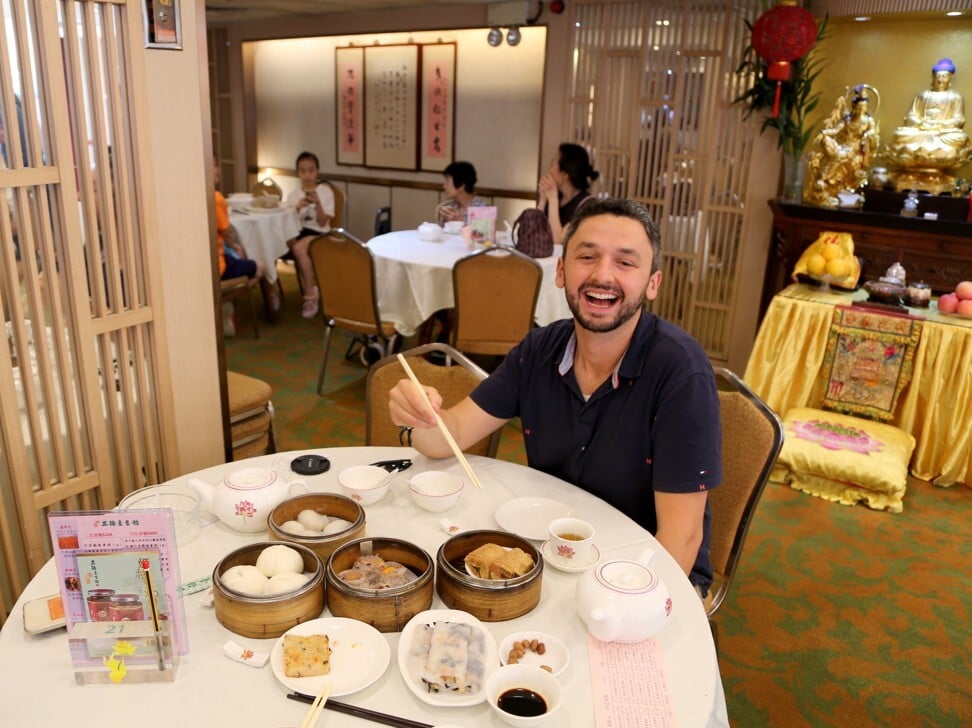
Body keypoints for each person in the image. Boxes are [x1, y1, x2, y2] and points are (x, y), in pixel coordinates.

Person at [389, 197, 723, 597]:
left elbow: (681, 540)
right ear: (562, 271)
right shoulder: (540, 350)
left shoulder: (680, 373)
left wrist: (617, 604)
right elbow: (451, 434)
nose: (603, 275)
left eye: (625, 262)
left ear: (653, 283)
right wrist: (417, 417)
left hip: (646, 572)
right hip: (557, 553)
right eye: (587, 256)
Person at [214, 161, 275, 335]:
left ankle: (225, 306)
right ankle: (225, 303)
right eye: (214, 167)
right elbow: (227, 232)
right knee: (260, 267)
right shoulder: (216, 198)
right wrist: (234, 245)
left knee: (234, 257)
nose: (217, 170)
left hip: (210, 264)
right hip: (220, 268)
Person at [888, 58, 972, 170]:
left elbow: (959, 119)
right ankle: (921, 152)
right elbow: (909, 116)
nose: (940, 80)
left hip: (942, 133)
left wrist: (942, 125)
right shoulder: (923, 95)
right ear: (933, 78)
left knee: (961, 137)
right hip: (922, 130)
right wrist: (920, 123)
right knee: (898, 134)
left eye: (944, 77)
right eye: (937, 76)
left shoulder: (955, 97)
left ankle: (933, 153)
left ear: (949, 78)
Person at [803, 86, 879, 207]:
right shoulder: (848, 119)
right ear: (854, 107)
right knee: (827, 142)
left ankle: (825, 179)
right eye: (858, 107)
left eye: (863, 107)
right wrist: (823, 134)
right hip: (844, 145)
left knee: (838, 156)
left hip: (855, 149)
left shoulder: (869, 121)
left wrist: (868, 135)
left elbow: (873, 134)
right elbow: (835, 130)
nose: (860, 110)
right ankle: (825, 183)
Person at [284, 151, 335, 318]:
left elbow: (322, 222)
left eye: (311, 170)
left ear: (317, 171)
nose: (307, 175)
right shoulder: (293, 195)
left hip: (320, 233)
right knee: (277, 243)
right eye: (303, 171)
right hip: (298, 231)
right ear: (298, 173)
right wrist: (297, 207)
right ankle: (271, 295)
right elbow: (289, 222)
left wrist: (318, 203)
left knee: (299, 249)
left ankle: (310, 296)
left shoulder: (325, 191)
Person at [537, 143, 599, 245]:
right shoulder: (556, 196)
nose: (549, 170)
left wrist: (553, 199)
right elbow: (533, 230)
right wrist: (543, 200)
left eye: (552, 164)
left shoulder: (588, 205)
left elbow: (557, 239)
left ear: (565, 174)